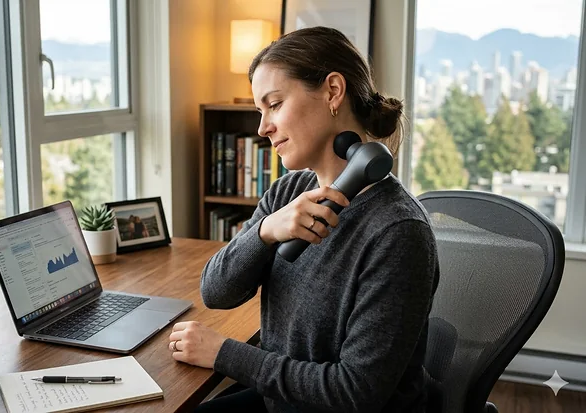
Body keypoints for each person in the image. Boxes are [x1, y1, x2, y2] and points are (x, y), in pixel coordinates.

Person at [167, 26, 440, 413]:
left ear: (332, 92)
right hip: (285, 401)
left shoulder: (398, 232)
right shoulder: (287, 192)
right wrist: (265, 231)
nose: (263, 128)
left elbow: (355, 392)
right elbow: (216, 292)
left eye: (274, 104)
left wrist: (224, 354)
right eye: (259, 112)